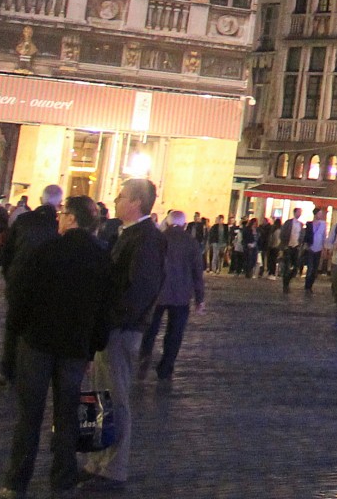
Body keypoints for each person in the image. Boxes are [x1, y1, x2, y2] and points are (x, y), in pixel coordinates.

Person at [0, 196, 113, 499]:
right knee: (67, 415)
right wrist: (93, 347)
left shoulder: (47, 250)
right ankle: (62, 478)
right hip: (75, 348)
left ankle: (16, 481)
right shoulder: (101, 257)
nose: (59, 218)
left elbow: (21, 292)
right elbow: (105, 309)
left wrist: (17, 329)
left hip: (38, 341)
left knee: (29, 415)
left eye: (63, 214)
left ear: (72, 219)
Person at [84, 179, 166, 490]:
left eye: (120, 197)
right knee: (96, 395)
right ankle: (94, 458)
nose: (116, 201)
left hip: (120, 329)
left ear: (135, 202)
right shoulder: (129, 234)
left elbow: (140, 289)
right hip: (109, 327)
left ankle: (113, 466)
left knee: (114, 397)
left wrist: (113, 320)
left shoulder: (145, 238)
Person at [0, 184, 63, 384]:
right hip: (44, 285)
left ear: (41, 199)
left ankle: (7, 368)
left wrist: (10, 276)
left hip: (18, 280)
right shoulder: (58, 226)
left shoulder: (23, 220)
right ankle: (29, 371)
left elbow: (6, 253)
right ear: (59, 203)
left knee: (13, 325)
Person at [139, 209, 207, 379]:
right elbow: (197, 273)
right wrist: (200, 299)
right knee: (175, 333)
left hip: (157, 292)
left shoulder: (158, 238)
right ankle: (166, 366)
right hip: (181, 295)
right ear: (184, 225)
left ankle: (144, 357)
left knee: (150, 329)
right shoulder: (191, 243)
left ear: (167, 222)